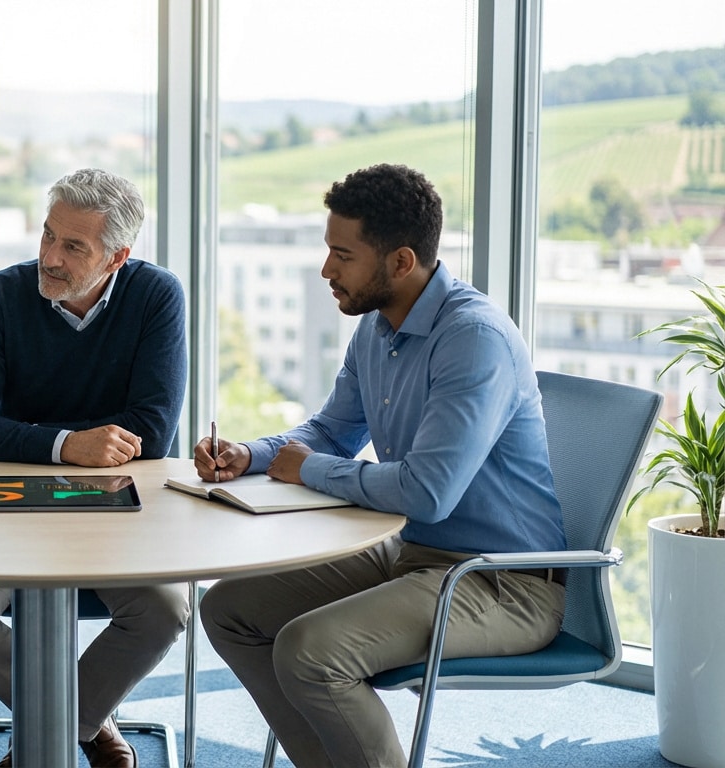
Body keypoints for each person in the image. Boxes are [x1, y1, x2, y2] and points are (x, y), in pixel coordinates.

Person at [195, 163, 567, 768]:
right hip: (411, 554)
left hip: (500, 581)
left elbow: (427, 493)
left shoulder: (473, 339)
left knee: (310, 651)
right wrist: (252, 455)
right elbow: (330, 432)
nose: (326, 269)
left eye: (342, 255)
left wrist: (307, 469)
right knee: (228, 609)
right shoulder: (376, 326)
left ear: (400, 262)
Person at [0, 168, 190, 768]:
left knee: (164, 611)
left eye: (73, 246)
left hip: (116, 511)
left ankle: (52, 734)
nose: (50, 257)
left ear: (116, 257)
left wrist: (33, 438)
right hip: (8, 504)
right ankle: (87, 725)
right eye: (47, 235)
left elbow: (151, 431)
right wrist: (69, 444)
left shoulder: (156, 296)